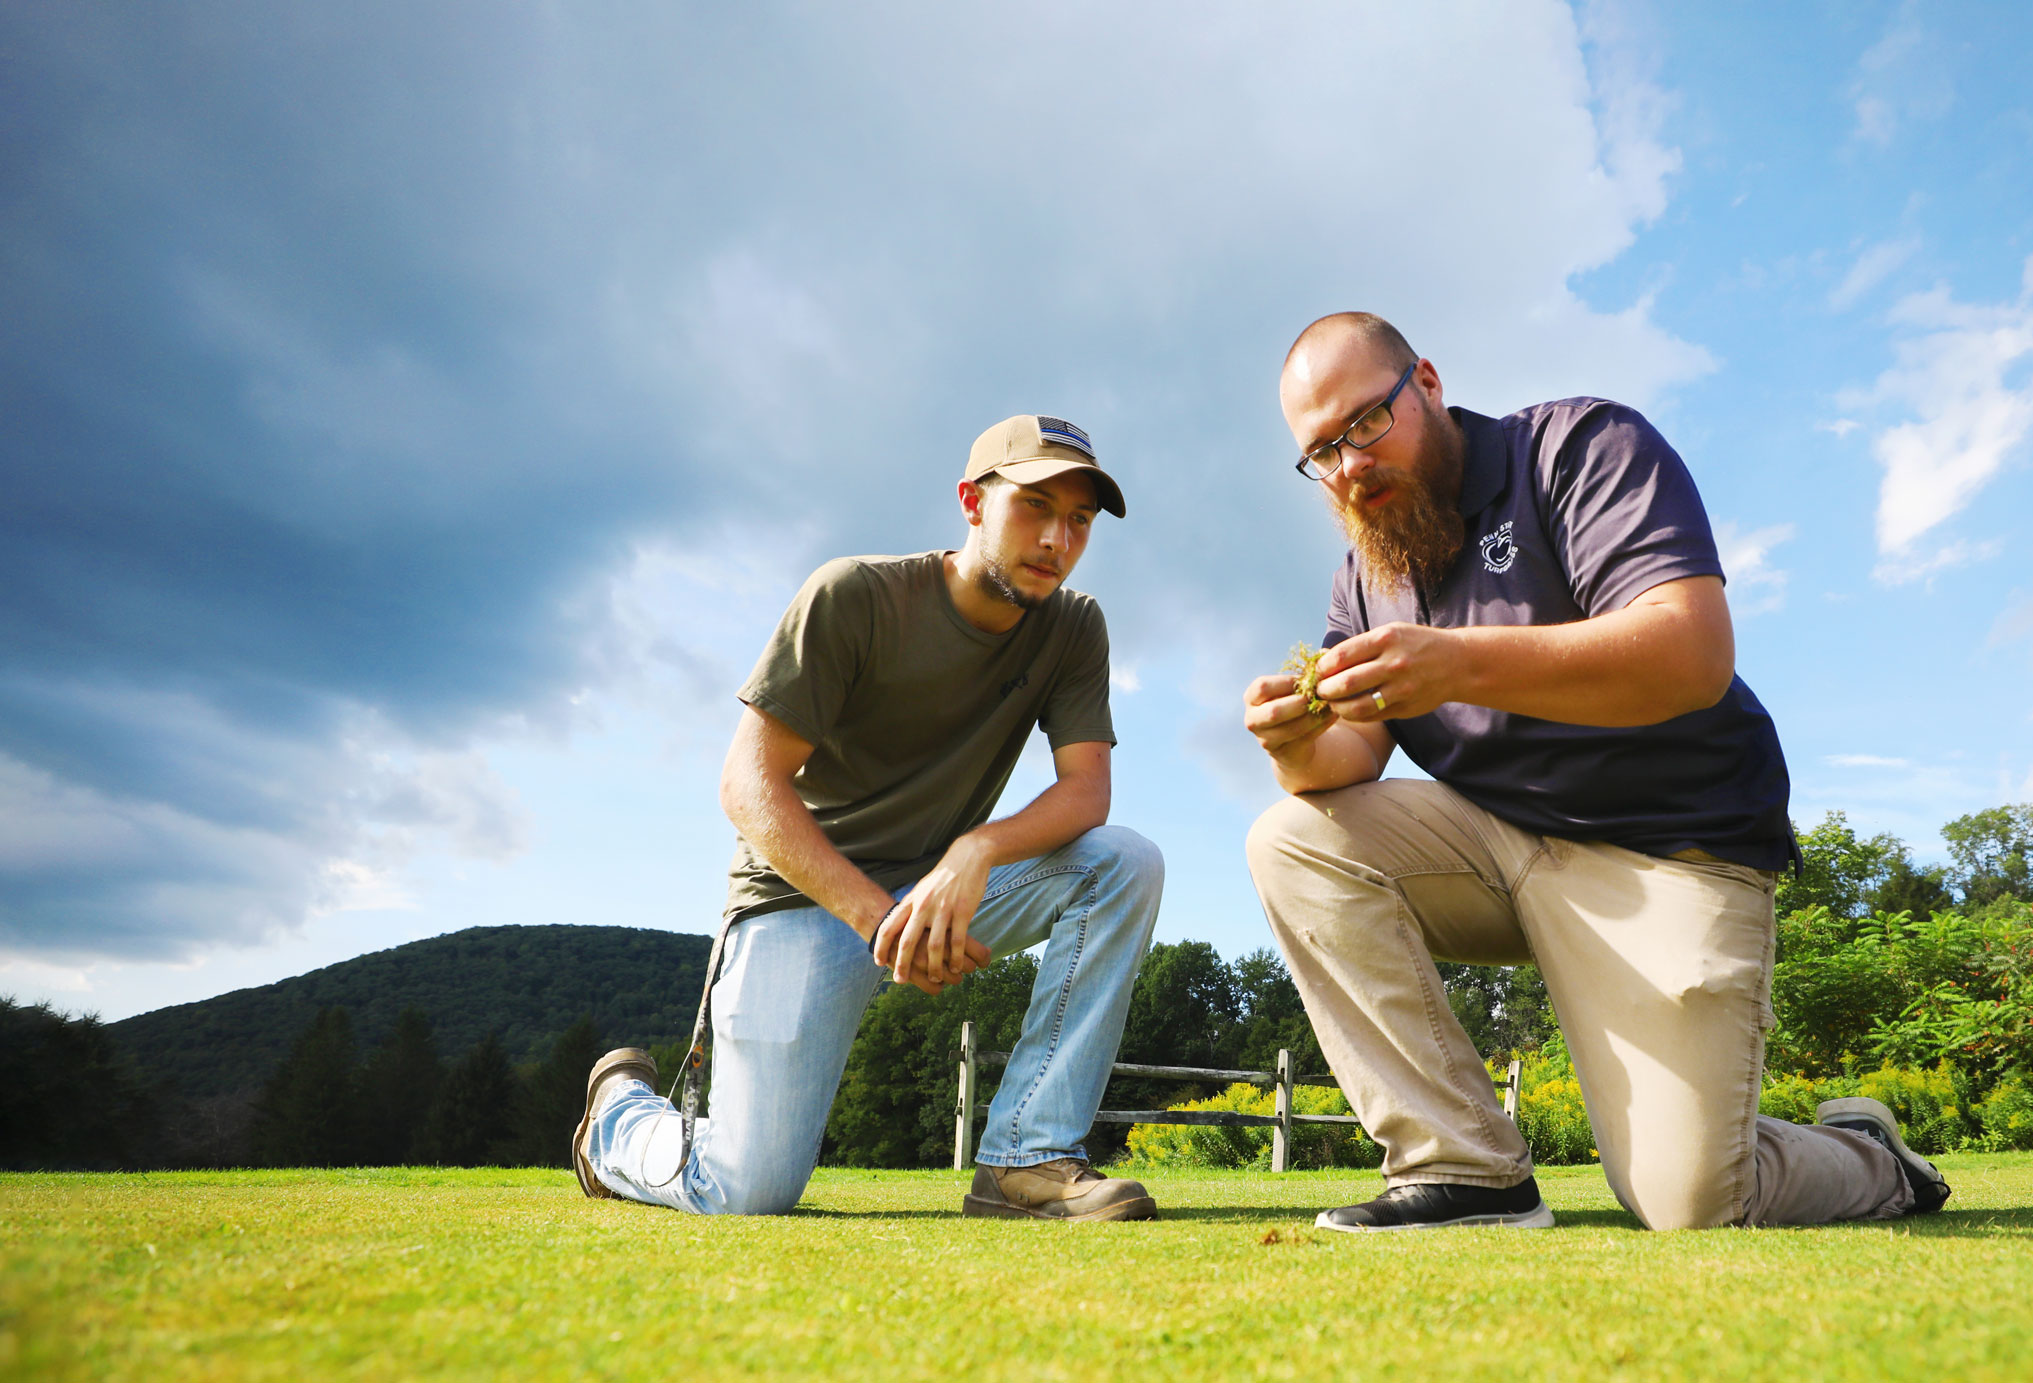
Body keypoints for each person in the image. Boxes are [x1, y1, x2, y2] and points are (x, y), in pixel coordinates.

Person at [1240, 313, 1950, 1232]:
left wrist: (1456, 660)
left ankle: (1870, 1155)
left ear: (1425, 380)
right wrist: (1291, 738)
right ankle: (1463, 1165)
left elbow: (1690, 651)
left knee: (1694, 1199)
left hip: (1670, 855)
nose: (1349, 468)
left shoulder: (1577, 449)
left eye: (1365, 424)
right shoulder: (1365, 569)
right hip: (1502, 852)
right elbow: (1349, 759)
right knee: (1292, 837)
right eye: (1321, 453)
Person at [575, 414, 1164, 1222]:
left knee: (1122, 860)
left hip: (937, 891)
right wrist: (879, 919)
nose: (1058, 538)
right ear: (971, 501)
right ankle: (618, 1120)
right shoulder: (852, 594)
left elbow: (1085, 791)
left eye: (1080, 520)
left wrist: (976, 849)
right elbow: (748, 785)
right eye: (1034, 505)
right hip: (802, 899)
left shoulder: (1073, 627)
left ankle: (1024, 1158)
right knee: (745, 1190)